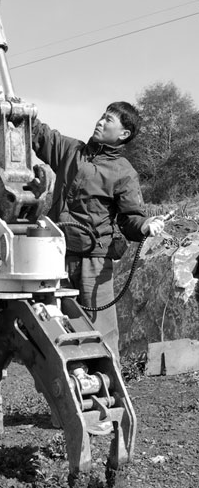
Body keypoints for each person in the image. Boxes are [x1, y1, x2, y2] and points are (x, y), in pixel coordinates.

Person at [30, 101, 165, 363]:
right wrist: (25, 116)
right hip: (56, 257)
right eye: (102, 116)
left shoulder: (124, 172)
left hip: (95, 260)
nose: (100, 122)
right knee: (56, 326)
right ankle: (72, 385)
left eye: (109, 120)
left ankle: (108, 385)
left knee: (100, 333)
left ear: (123, 134)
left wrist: (144, 226)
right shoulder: (71, 150)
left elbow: (130, 219)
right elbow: (41, 136)